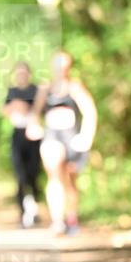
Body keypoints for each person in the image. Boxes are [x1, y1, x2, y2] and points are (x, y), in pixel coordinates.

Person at [30, 51, 97, 236]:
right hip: (52, 136)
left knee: (70, 180)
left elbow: (90, 111)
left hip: (72, 137)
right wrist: (34, 125)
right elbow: (35, 111)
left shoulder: (75, 87)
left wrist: (86, 136)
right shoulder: (46, 88)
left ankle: (72, 218)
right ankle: (57, 221)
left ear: (69, 67)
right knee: (54, 176)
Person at [2, 61, 42, 228]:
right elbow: (5, 109)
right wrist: (15, 106)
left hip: (34, 134)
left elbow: (40, 109)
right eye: (18, 73)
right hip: (18, 134)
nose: (21, 76)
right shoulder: (12, 91)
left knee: (33, 173)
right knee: (20, 175)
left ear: (29, 74)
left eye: (24, 72)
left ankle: (34, 207)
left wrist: (25, 107)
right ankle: (22, 212)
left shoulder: (36, 89)